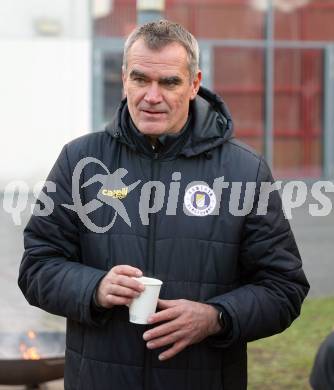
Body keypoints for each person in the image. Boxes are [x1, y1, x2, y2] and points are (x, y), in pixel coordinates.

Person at [19, 19, 309, 390]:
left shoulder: (243, 170)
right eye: (140, 79)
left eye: (169, 82)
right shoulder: (80, 161)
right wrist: (94, 287)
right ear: (124, 78)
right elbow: (37, 267)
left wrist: (217, 317)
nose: (152, 96)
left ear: (194, 84)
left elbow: (284, 288)